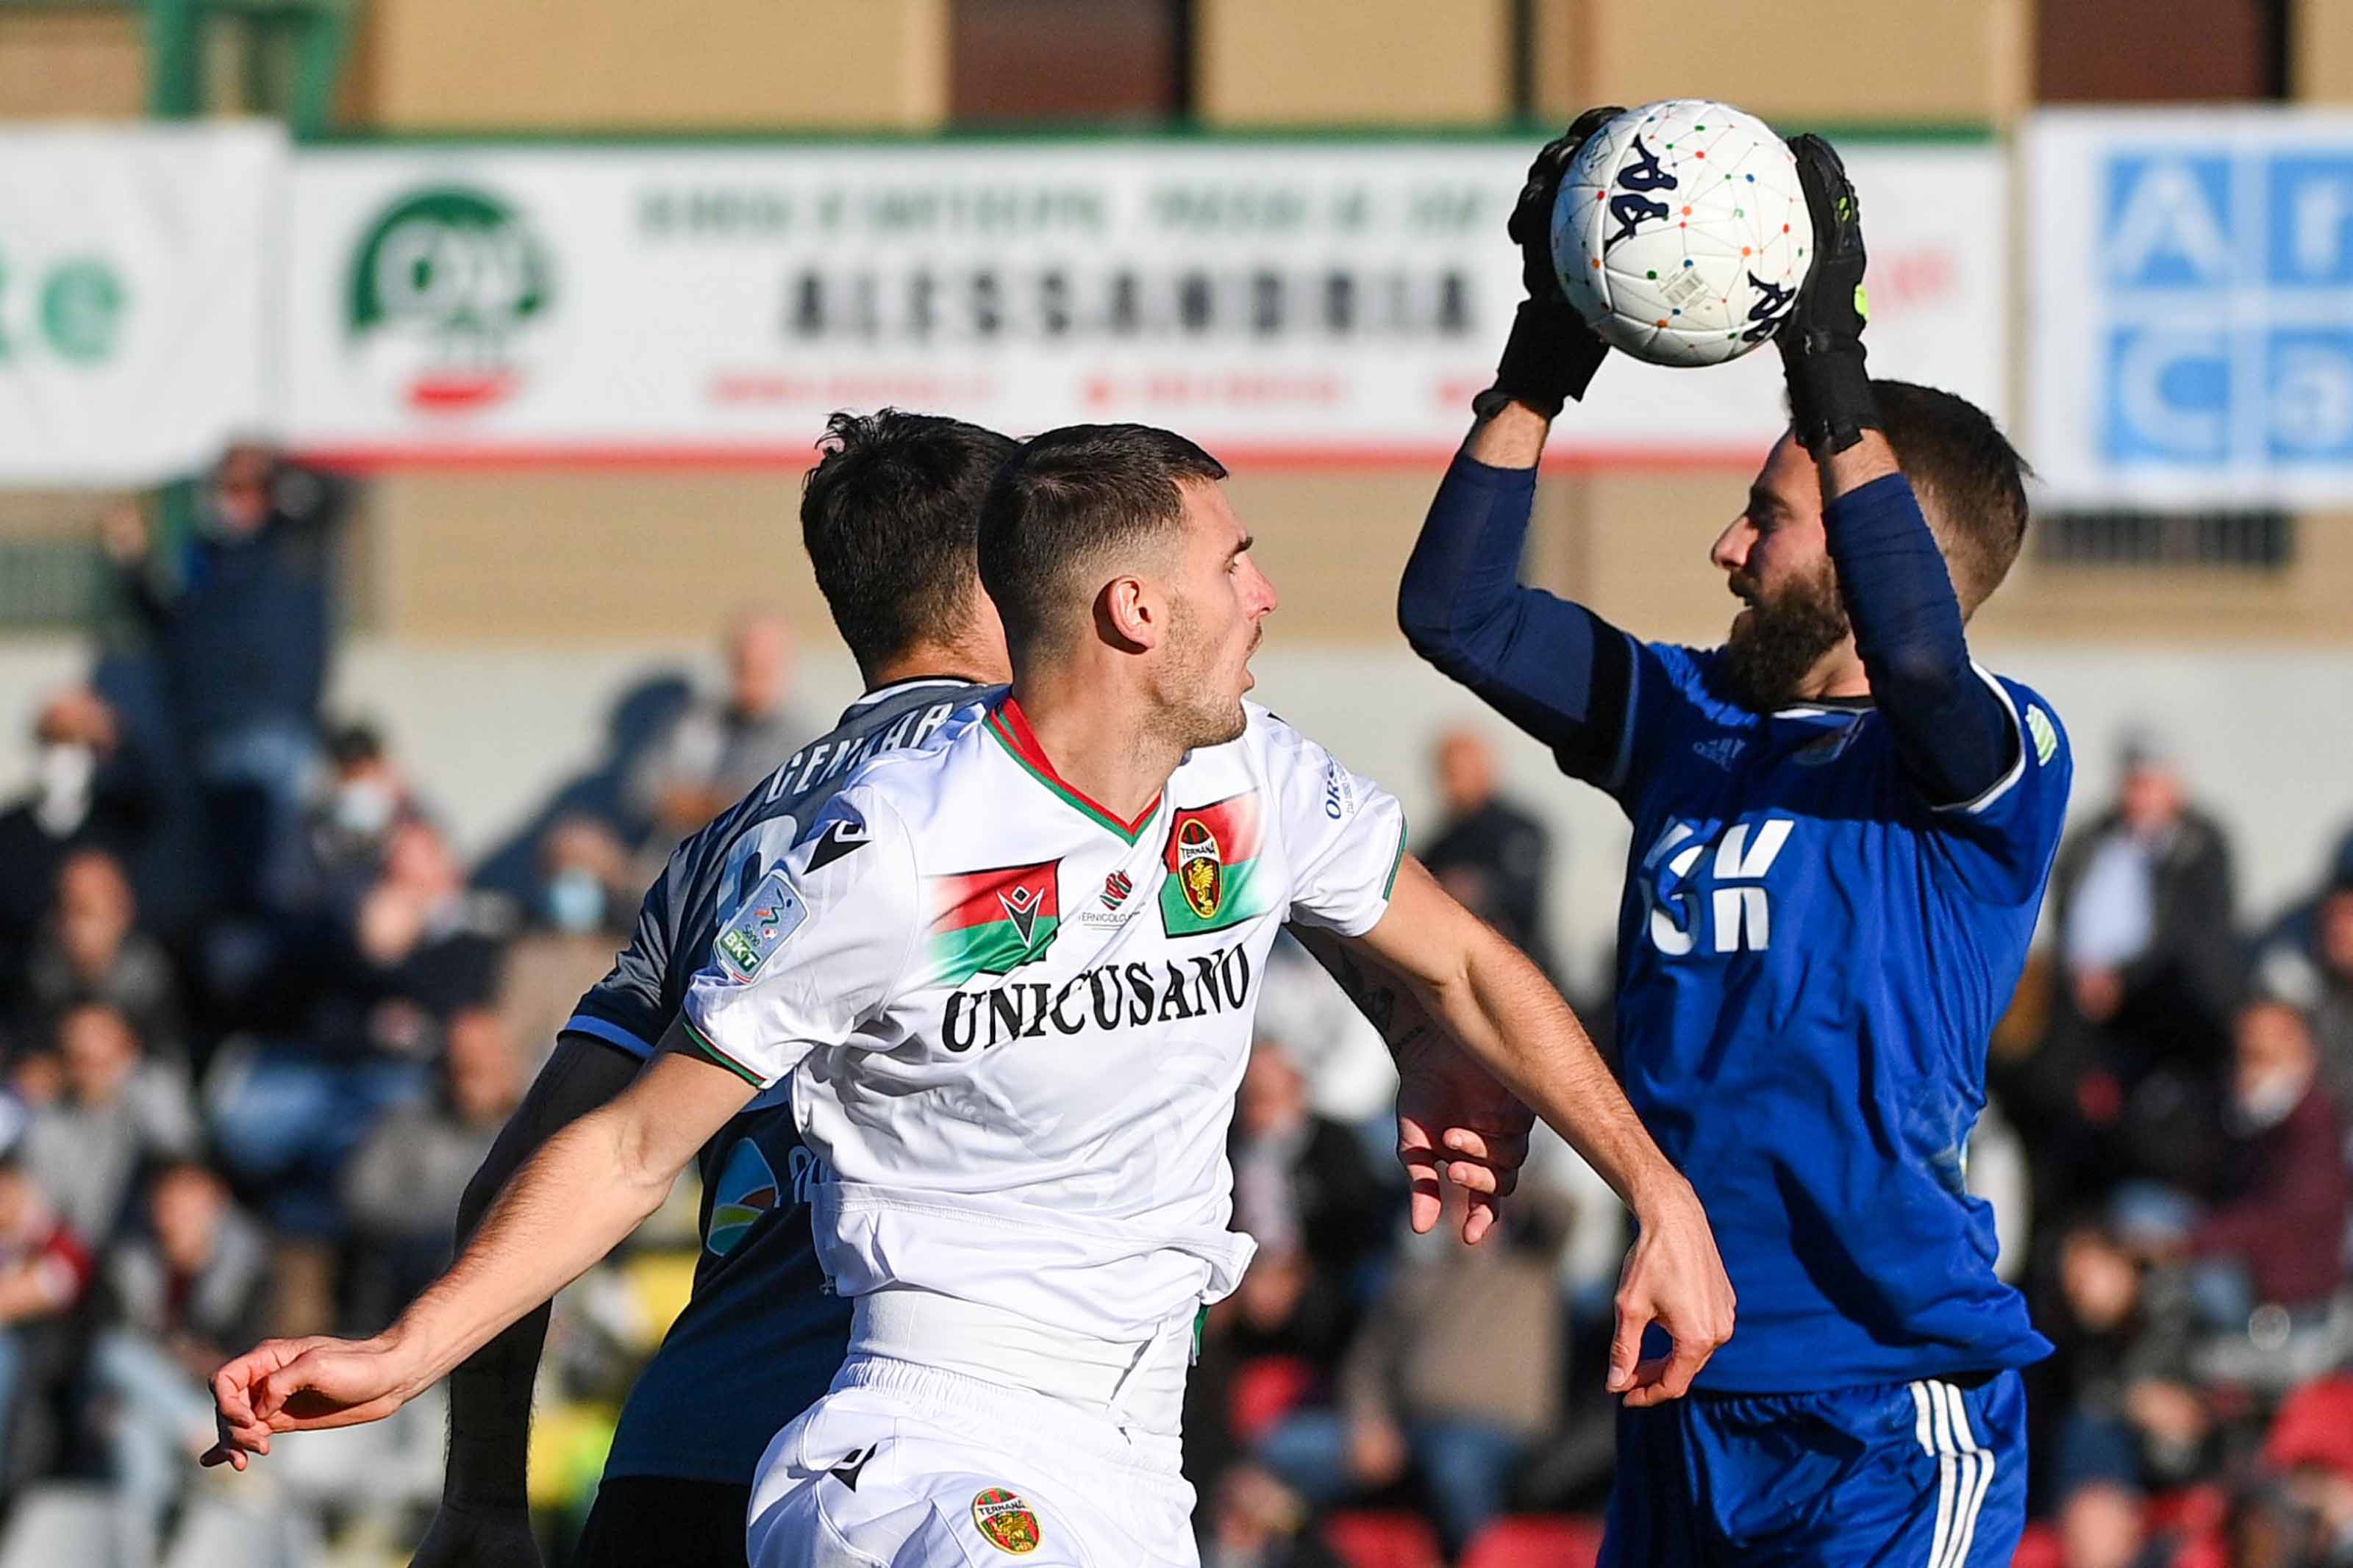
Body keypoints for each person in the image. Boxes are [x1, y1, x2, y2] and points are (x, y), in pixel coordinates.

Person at [206, 421, 1735, 1568]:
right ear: (1075, 602)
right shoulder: (878, 843)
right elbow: (622, 1147)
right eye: (1234, 563)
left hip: (1065, 1443)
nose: (1266, 595)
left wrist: (1595, 1153)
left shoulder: (1219, 772)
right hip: (914, 1439)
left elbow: (1440, 948)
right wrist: (404, 1353)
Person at [1399, 115, 2071, 1565]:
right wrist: (1542, 356)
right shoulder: (1689, 720)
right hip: (1686, 1369)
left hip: (1884, 1404)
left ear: (1880, 546)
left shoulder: (1983, 761)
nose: (1726, 547)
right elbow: (1457, 612)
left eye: (1766, 519)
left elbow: (1918, 657)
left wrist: (1828, 364)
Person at [1421, 726, 1559, 979]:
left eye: (1459, 773)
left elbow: (1523, 900)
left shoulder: (1519, 830)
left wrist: (1476, 890)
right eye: (1447, 773)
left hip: (1523, 969)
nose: (1452, 785)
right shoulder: (1440, 847)